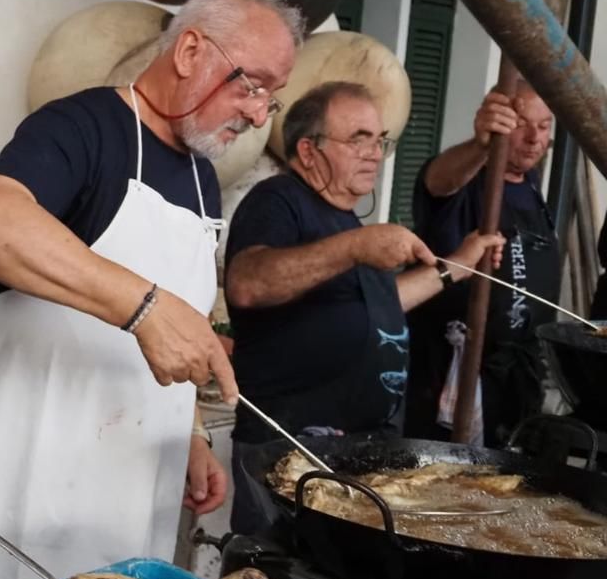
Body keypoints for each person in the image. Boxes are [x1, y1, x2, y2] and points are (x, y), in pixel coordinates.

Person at [0, 0, 301, 579]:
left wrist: (185, 436)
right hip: (30, 456)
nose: (260, 114)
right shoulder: (83, 128)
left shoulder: (203, 180)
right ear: (189, 53)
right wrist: (145, 308)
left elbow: (175, 322)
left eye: (273, 95)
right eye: (252, 84)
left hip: (128, 474)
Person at [222, 82, 503, 534]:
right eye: (358, 138)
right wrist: (357, 246)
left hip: (356, 452)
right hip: (289, 450)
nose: (374, 153)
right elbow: (249, 283)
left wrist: (457, 268)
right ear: (309, 150)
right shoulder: (279, 200)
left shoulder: (347, 222)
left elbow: (379, 305)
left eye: (379, 140)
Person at [405, 84, 560, 445]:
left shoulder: (532, 183)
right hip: (453, 373)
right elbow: (437, 182)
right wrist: (481, 146)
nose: (534, 138)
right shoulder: (467, 178)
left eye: (545, 125)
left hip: (515, 377)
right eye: (522, 123)